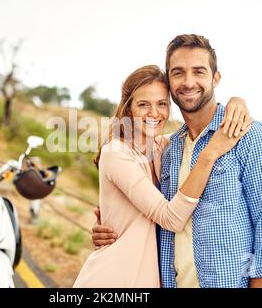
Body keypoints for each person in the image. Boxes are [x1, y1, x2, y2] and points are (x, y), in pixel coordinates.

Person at [92, 34, 262, 288]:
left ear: (215, 78)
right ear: (169, 80)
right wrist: (109, 225)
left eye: (198, 71)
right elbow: (157, 214)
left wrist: (237, 100)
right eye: (178, 73)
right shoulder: (168, 148)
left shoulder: (253, 137)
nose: (188, 82)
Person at [73, 64, 252, 287]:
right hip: (113, 280)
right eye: (143, 105)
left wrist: (237, 102)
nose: (154, 113)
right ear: (128, 109)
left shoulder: (161, 146)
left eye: (162, 104)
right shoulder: (116, 153)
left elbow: (197, 129)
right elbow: (171, 218)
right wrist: (210, 154)